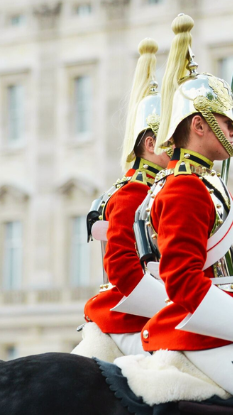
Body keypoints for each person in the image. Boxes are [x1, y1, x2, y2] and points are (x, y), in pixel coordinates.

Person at [138, 14, 233, 415]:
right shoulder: (186, 187)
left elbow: (221, 266)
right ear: (200, 126)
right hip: (202, 333)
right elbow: (185, 283)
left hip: (225, 320)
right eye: (227, 122)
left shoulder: (206, 182)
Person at [80, 38, 170, 357]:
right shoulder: (134, 193)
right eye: (169, 141)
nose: (177, 150)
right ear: (148, 145)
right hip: (130, 318)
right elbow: (122, 269)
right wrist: (181, 304)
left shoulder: (160, 188)